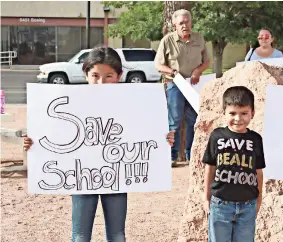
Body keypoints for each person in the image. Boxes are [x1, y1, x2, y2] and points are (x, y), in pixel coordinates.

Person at [23, 46, 176, 242]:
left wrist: (163, 140)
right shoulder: (70, 102)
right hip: (82, 175)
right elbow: (53, 133)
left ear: (119, 75)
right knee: (80, 236)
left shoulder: (134, 103)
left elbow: (145, 132)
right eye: (95, 75)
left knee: (117, 234)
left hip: (115, 175)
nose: (101, 82)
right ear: (86, 74)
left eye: (108, 76)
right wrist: (33, 142)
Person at [202, 86, 266, 242]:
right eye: (232, 113)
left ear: (252, 113)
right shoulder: (217, 136)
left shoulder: (255, 139)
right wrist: (206, 197)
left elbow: (258, 171)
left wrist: (259, 199)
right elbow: (210, 167)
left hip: (247, 205)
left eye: (244, 113)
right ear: (224, 112)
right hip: (220, 204)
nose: (238, 118)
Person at [155, 9, 210, 167]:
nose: (184, 25)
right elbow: (158, 65)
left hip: (194, 85)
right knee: (175, 122)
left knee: (194, 120)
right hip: (175, 85)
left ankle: (191, 155)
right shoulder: (167, 41)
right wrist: (172, 72)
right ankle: (172, 157)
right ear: (174, 25)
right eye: (181, 23)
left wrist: (198, 70)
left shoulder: (199, 38)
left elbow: (207, 61)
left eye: (187, 22)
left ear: (191, 23)